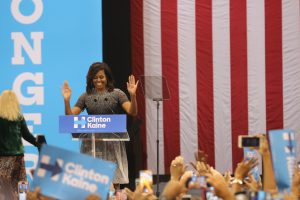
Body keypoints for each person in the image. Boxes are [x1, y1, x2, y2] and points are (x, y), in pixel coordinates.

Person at [61, 62, 138, 187]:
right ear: (91, 79)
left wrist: (133, 96)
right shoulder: (86, 96)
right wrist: (66, 101)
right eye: (95, 77)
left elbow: (132, 111)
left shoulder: (118, 94)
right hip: (91, 144)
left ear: (107, 77)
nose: (98, 80)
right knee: (91, 183)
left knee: (113, 183)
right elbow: (71, 117)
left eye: (101, 77)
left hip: (112, 144)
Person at [0, 90, 40, 196]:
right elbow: (26, 135)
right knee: (21, 181)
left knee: (4, 184)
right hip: (19, 156)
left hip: (3, 157)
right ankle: (24, 198)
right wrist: (38, 143)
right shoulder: (18, 116)